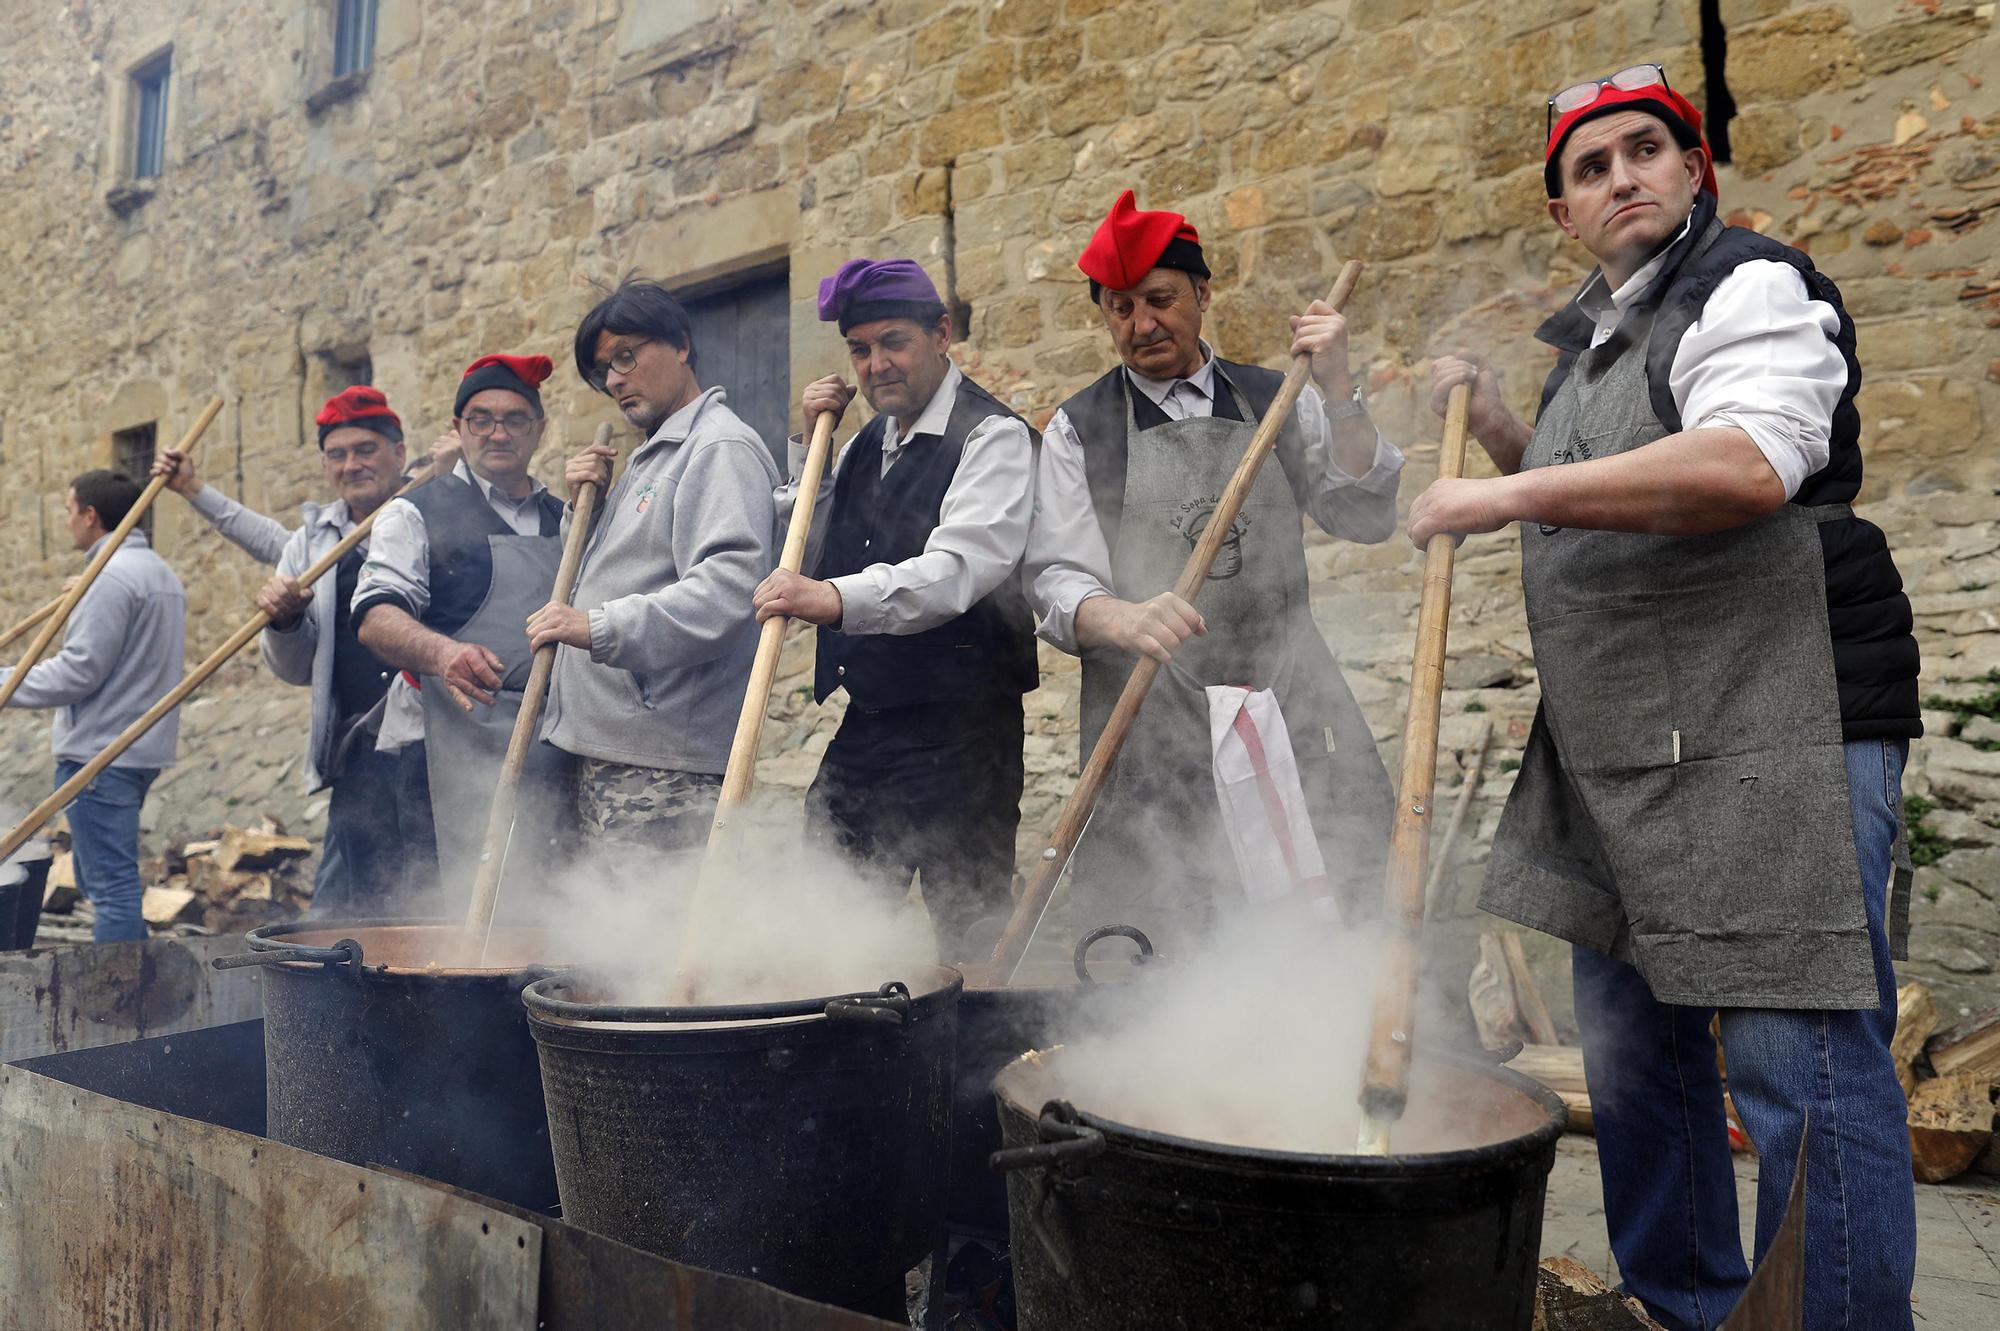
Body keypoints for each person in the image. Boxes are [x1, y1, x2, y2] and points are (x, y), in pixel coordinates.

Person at [1410, 68, 1920, 1331]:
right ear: (1560, 213)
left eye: (1646, 151)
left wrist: (1504, 498)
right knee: (1636, 1063)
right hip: (1625, 742)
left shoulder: (1745, 284)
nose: (1620, 176)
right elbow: (1602, 493)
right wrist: (1496, 436)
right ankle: (1678, 1305)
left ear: (1693, 172)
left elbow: (1746, 461)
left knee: (1792, 1063)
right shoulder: (1589, 339)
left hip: (1774, 722)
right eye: (1589, 168)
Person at [1023, 190, 1403, 955]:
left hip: (1290, 703)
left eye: (1160, 300)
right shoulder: (1078, 428)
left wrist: (1337, 389)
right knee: (1165, 932)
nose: (1142, 325)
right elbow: (1055, 581)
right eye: (1120, 309)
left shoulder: (1278, 397)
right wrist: (1119, 616)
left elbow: (1363, 514)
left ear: (1203, 293)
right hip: (1151, 722)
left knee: (1319, 921)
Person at [753, 258, 1036, 960]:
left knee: (968, 925)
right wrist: (806, 441)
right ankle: (844, 1053)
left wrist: (832, 599)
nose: (875, 364)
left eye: (893, 342)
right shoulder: (858, 445)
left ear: (941, 335)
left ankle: (976, 1063)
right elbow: (802, 543)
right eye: (859, 349)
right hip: (874, 715)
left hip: (967, 726)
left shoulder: (993, 437)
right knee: (826, 900)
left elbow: (957, 570)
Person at [153, 386, 439, 916]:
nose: (352, 465)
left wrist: (456, 468)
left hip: (439, 743)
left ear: (399, 453)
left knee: (432, 899)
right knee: (344, 910)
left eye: (366, 449)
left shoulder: (436, 506)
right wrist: (284, 622)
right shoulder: (316, 540)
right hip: (356, 749)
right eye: (338, 454)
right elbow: (295, 663)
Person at [531, 280, 780, 869]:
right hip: (611, 750)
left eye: (626, 356)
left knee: (656, 947)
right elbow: (609, 571)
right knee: (608, 947)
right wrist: (581, 508)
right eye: (603, 371)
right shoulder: (656, 453)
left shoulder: (717, 449)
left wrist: (595, 626)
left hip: (665, 767)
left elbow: (726, 594)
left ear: (682, 346)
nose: (615, 380)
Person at [353, 354, 573, 908]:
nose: (498, 432)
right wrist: (444, 652)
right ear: (457, 429)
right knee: (447, 921)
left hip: (550, 751)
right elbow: (376, 617)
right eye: (481, 419)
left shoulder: (569, 516)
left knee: (544, 913)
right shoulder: (412, 514)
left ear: (539, 430)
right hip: (442, 755)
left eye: (515, 419)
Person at [0, 471, 185, 942]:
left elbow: (76, 673)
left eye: (68, 510)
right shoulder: (157, 573)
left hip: (102, 755)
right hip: (136, 750)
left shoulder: (111, 578)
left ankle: (125, 1002)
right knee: (99, 877)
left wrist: (4, 681)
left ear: (90, 515)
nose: (66, 522)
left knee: (111, 889)